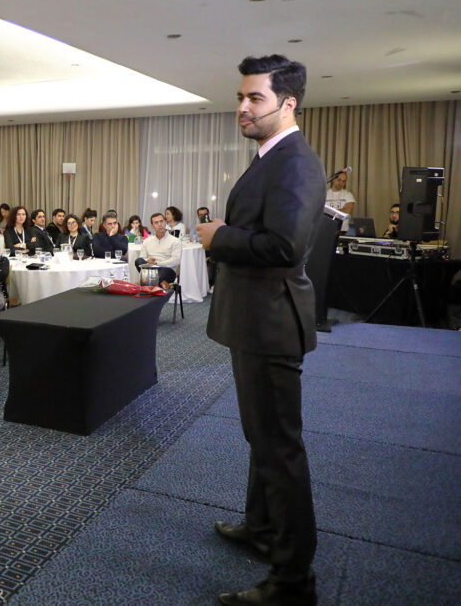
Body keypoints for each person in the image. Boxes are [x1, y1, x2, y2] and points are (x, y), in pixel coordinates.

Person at [196, 54, 324, 606]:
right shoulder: (271, 156)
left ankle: (293, 582)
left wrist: (219, 236)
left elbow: (285, 247)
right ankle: (262, 528)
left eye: (256, 99)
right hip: (256, 320)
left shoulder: (294, 160)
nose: (243, 107)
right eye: (242, 96)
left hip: (272, 323)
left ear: (287, 104)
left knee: (280, 451)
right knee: (261, 440)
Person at [135, 213, 180, 288]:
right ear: (152, 226)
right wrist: (148, 260)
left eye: (161, 221)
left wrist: (158, 264)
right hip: (150, 269)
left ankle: (149, 284)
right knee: (138, 261)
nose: (160, 224)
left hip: (167, 269)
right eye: (156, 223)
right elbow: (142, 258)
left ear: (165, 222)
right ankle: (160, 283)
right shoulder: (147, 241)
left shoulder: (175, 241)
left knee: (159, 274)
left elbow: (176, 260)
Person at [325, 169, 355, 233]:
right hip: (326, 228)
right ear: (333, 180)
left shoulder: (348, 195)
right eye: (339, 180)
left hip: (342, 230)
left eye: (343, 181)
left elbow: (347, 211)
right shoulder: (324, 194)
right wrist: (339, 212)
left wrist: (329, 212)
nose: (341, 183)